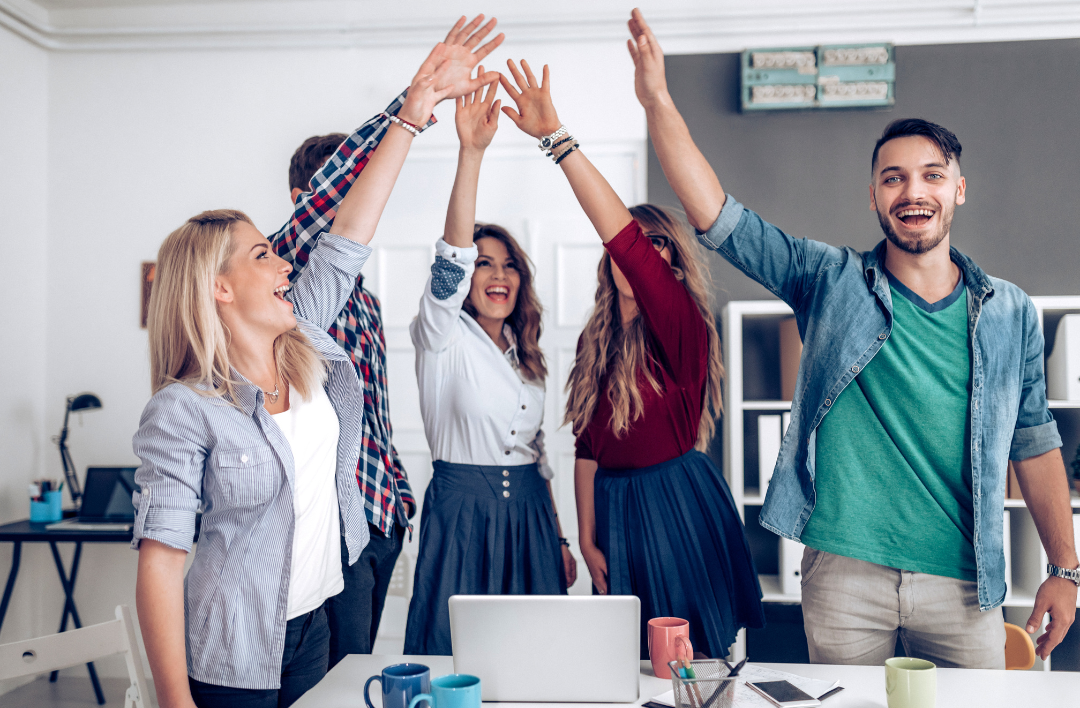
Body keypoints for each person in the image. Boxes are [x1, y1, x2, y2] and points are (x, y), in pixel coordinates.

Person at [620, 8, 1079, 667]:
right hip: (844, 578)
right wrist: (658, 100)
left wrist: (1065, 569)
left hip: (964, 583)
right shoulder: (828, 281)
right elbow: (717, 216)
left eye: (931, 175)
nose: (912, 191)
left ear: (959, 189)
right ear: (873, 196)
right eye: (893, 178)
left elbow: (1034, 445)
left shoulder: (1010, 313)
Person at [132, 27, 503, 708]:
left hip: (316, 618)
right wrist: (174, 700)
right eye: (262, 255)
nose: (282, 260)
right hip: (235, 655)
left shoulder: (302, 341)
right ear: (219, 288)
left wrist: (419, 112)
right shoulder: (184, 410)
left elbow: (350, 236)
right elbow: (159, 563)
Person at [499, 57, 765, 660]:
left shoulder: (682, 327)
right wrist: (589, 539)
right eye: (630, 247)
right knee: (628, 663)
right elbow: (588, 450)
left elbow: (626, 242)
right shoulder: (597, 348)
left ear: (669, 267)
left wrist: (556, 139)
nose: (640, 256)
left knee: (690, 662)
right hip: (615, 511)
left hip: (674, 502)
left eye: (656, 250)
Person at [267, 16, 504, 667]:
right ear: (302, 201)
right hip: (327, 527)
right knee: (331, 682)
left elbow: (366, 410)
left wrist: (395, 497)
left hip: (379, 513)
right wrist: (413, 106)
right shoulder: (287, 283)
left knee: (360, 675)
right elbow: (333, 209)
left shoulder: (364, 300)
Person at [403, 76, 578, 656]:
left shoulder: (529, 356)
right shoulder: (439, 334)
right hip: (462, 512)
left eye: (508, 265)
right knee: (457, 653)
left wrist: (557, 536)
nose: (497, 275)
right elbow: (448, 260)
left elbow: (539, 458)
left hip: (529, 512)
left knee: (535, 654)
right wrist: (470, 154)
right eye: (483, 264)